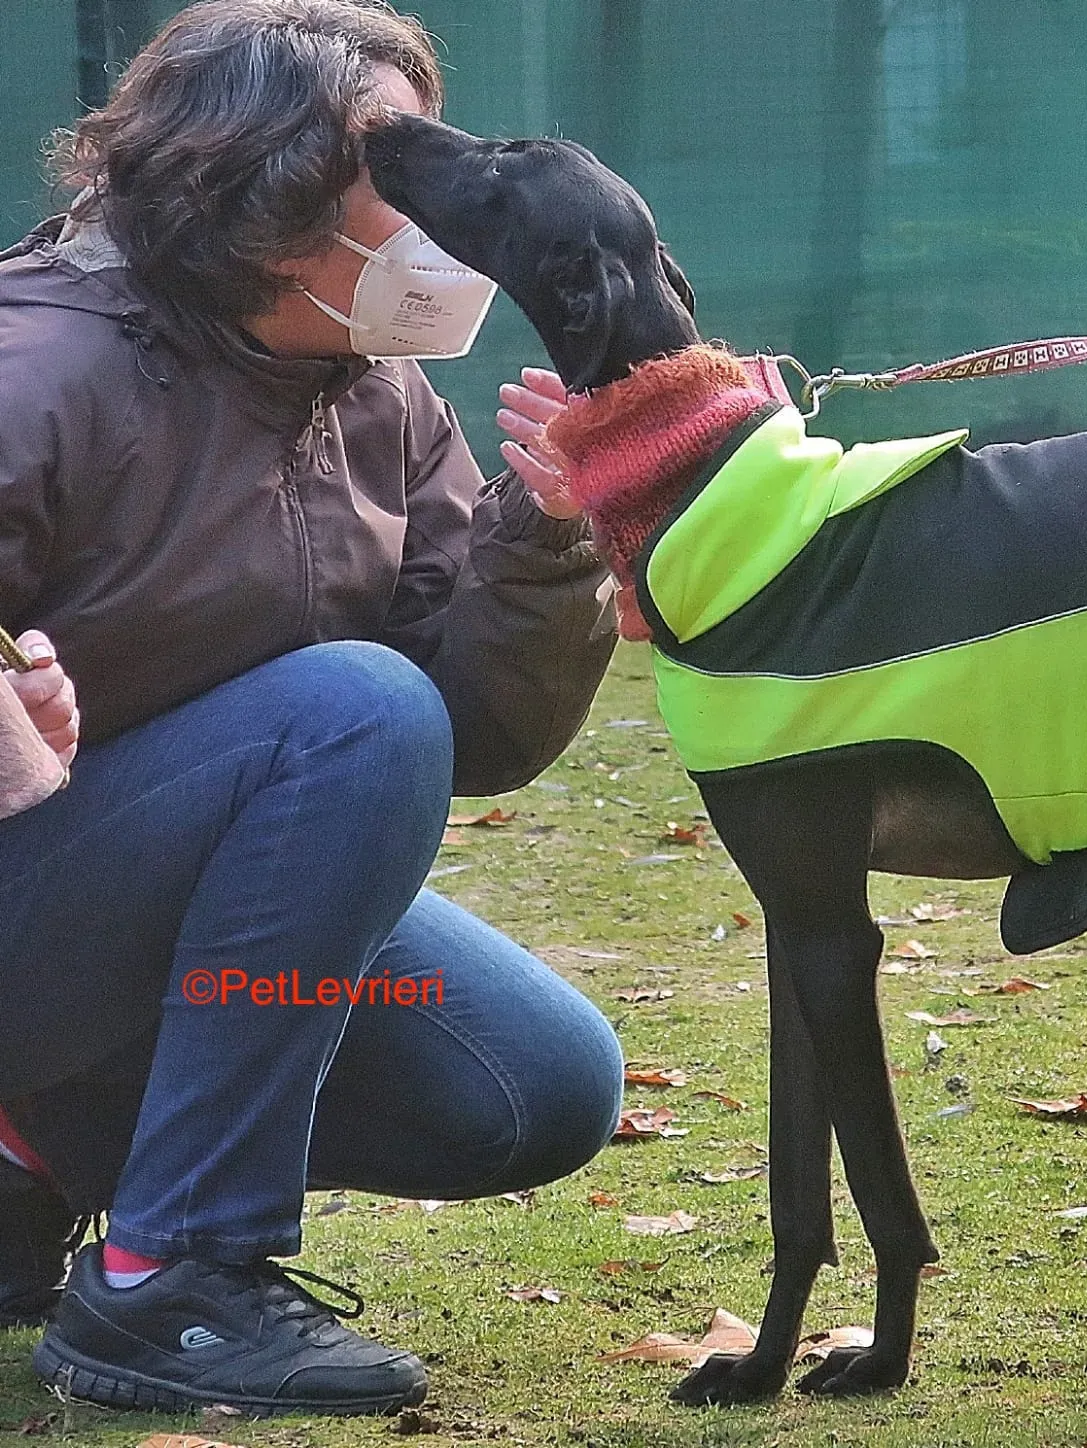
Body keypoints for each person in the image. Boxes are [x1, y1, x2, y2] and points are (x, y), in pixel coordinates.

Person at [0, 0, 627, 1416]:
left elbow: (474, 736)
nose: (442, 194)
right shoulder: (39, 366)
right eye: (394, 158)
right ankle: (174, 1281)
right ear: (259, 192)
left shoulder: (380, 393)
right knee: (350, 705)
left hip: (118, 915)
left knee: (532, 1082)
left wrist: (545, 535)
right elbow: (366, 723)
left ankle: (33, 1151)